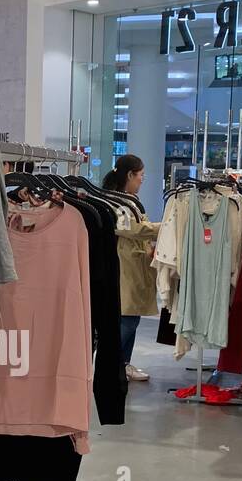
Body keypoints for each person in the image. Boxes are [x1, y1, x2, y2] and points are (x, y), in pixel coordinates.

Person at [103, 154, 152, 381]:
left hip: (133, 264)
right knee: (128, 318)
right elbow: (132, 229)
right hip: (124, 266)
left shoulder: (127, 200)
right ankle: (109, 362)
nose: (142, 180)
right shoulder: (117, 202)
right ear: (130, 175)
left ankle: (122, 363)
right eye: (140, 175)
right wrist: (168, 226)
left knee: (131, 316)